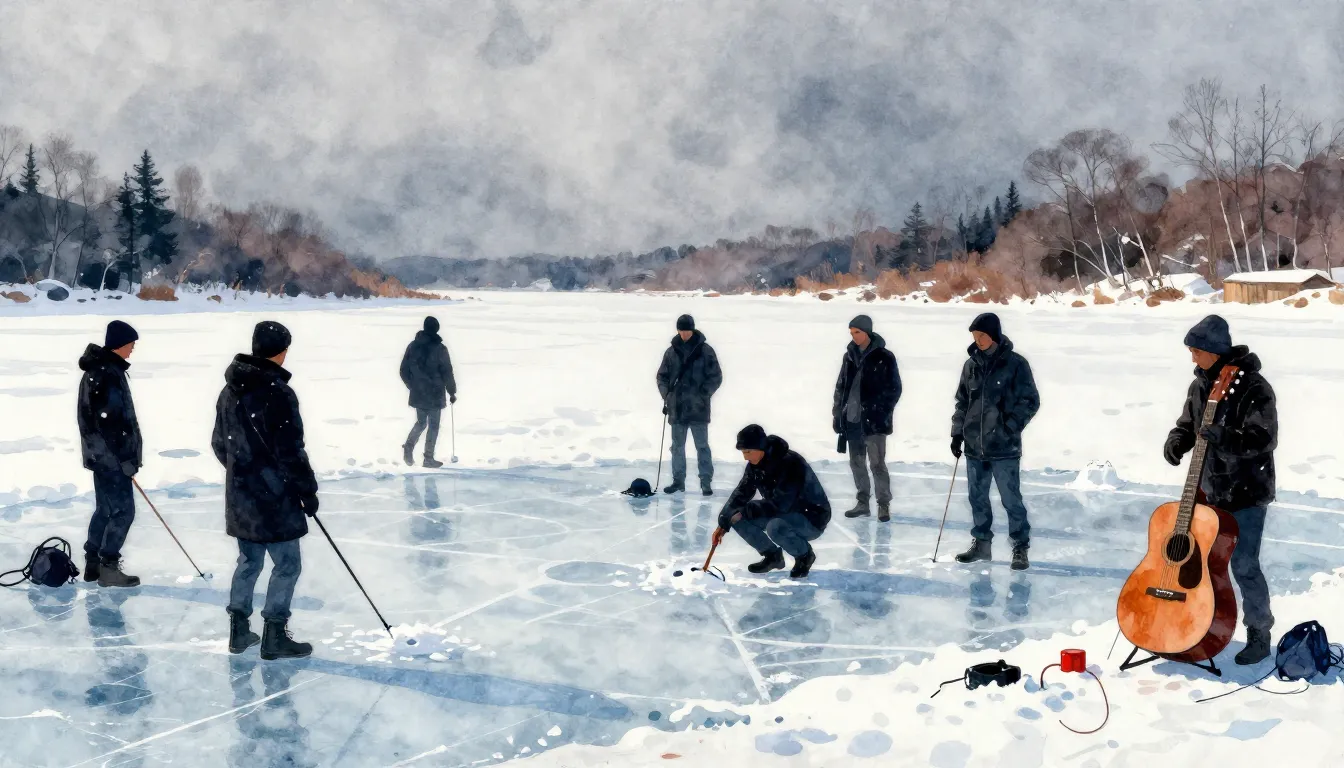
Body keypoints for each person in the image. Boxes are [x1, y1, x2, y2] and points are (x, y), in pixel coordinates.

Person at [1163, 314, 1277, 665]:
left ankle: (1259, 632)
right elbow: (1188, 424)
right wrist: (1177, 440)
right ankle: (1201, 625)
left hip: (1246, 492)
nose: (1192, 356)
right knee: (1201, 566)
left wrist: (1224, 437)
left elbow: (1263, 438)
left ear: (1214, 351)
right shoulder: (1199, 385)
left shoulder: (1254, 387)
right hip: (1209, 490)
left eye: (1196, 350)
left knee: (1243, 564)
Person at [212, 321, 319, 660]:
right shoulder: (279, 393)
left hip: (242, 495)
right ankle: (274, 634)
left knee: (248, 561)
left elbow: (219, 444)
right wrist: (306, 490)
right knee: (287, 564)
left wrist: (242, 472)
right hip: (275, 497)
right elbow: (291, 450)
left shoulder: (229, 391)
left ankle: (239, 630)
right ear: (281, 352)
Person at [950, 312, 1040, 571]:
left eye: (982, 335)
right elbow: (962, 402)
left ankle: (1020, 546)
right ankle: (981, 544)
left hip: (1004, 448)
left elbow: (1030, 401)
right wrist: (957, 432)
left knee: (1011, 499)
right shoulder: (970, 366)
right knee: (977, 498)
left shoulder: (1015, 364)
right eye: (975, 336)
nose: (977, 340)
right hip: (974, 446)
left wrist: (1009, 427)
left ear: (994, 335)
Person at [77, 320, 143, 588]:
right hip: (111, 458)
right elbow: (113, 424)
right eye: (131, 344)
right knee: (123, 512)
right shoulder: (108, 373)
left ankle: (93, 563)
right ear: (119, 344)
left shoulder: (99, 370)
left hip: (100, 456)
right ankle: (108, 566)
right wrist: (126, 459)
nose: (132, 349)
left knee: (105, 509)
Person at [714, 425, 831, 578]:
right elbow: (741, 493)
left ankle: (804, 556)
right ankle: (772, 556)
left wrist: (750, 509)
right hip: (783, 514)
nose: (745, 457)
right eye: (743, 452)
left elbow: (782, 503)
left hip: (811, 518)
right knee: (736, 517)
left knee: (775, 527)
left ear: (760, 447)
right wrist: (723, 523)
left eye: (748, 452)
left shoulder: (790, 462)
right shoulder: (754, 466)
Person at [832, 314, 902, 521]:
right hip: (852, 419)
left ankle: (883, 504)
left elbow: (895, 388)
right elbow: (840, 387)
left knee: (877, 464)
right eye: (852, 333)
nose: (854, 336)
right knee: (857, 463)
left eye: (857, 332)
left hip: (875, 423)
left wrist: (880, 410)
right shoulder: (849, 356)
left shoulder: (885, 356)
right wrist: (838, 414)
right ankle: (863, 503)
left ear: (867, 332)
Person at [656, 314, 723, 495]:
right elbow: (662, 376)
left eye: (687, 330)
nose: (684, 334)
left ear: (692, 330)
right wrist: (666, 395)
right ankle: (678, 481)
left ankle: (706, 481)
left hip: (698, 408)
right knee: (677, 447)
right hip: (677, 408)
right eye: (682, 330)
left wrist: (703, 393)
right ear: (678, 330)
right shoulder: (671, 352)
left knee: (702, 446)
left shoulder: (705, 351)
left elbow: (716, 376)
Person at [400, 316, 457, 468]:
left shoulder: (413, 346)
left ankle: (408, 447)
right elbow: (447, 372)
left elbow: (403, 370)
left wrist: (412, 386)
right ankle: (428, 458)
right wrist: (452, 392)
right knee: (433, 425)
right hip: (434, 393)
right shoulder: (440, 348)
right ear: (436, 329)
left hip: (419, 393)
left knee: (421, 423)